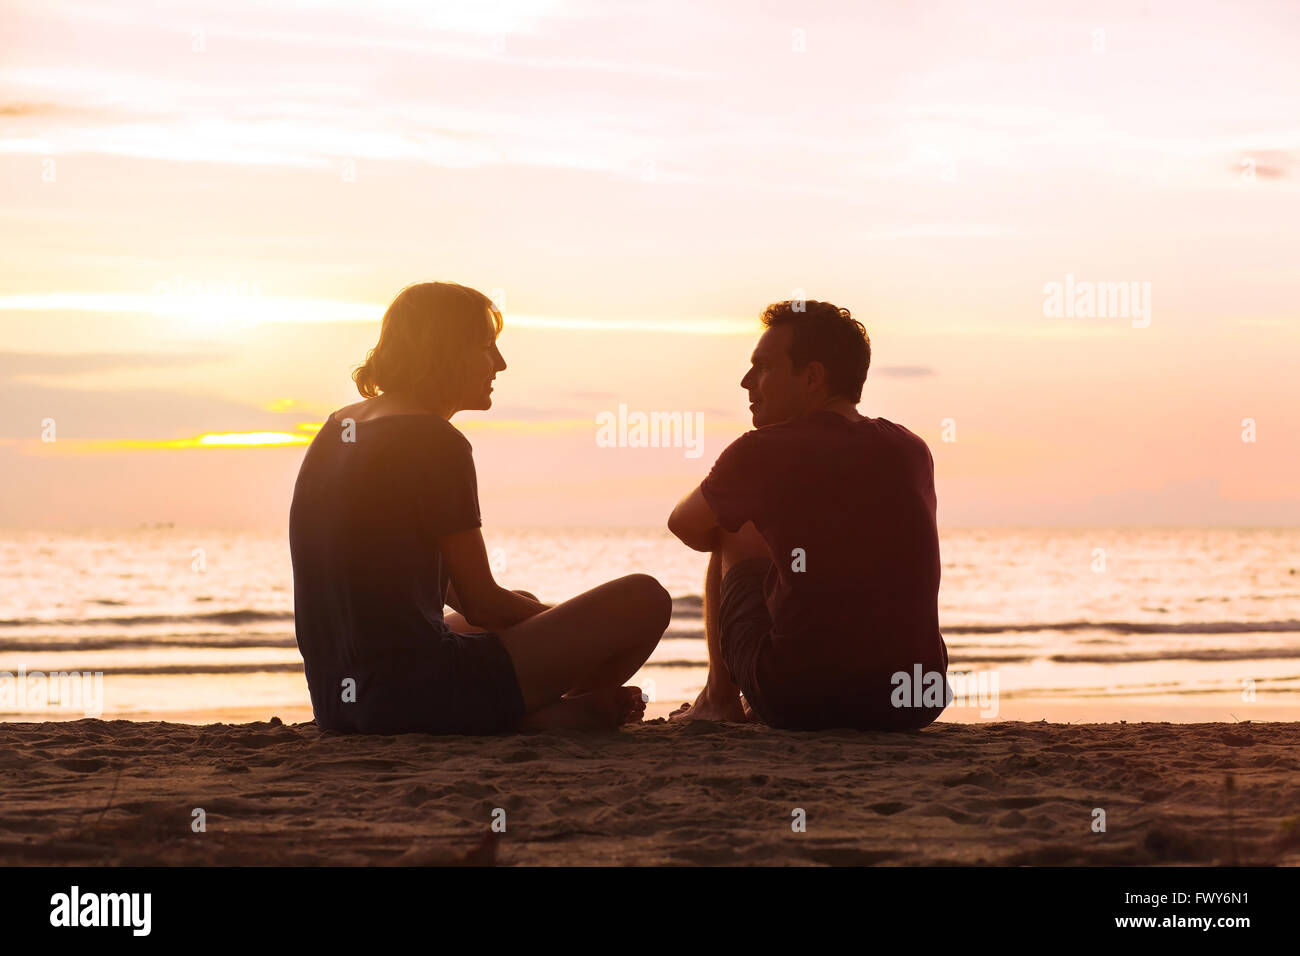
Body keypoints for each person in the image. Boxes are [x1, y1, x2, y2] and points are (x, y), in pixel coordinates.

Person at [289, 281, 671, 735]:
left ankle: (538, 712)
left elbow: (429, 585)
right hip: (413, 696)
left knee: (522, 604)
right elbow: (483, 603)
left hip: (341, 702)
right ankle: (540, 716)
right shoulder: (434, 441)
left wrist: (551, 623)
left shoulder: (340, 426)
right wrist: (582, 631)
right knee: (643, 599)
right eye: (487, 347)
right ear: (445, 351)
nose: (501, 364)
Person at [666, 298, 949, 730]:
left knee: (732, 526)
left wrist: (756, 520)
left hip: (803, 699)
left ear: (812, 376)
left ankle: (717, 699)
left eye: (762, 367)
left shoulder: (761, 450)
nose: (746, 382)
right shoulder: (911, 448)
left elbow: (686, 524)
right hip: (913, 701)